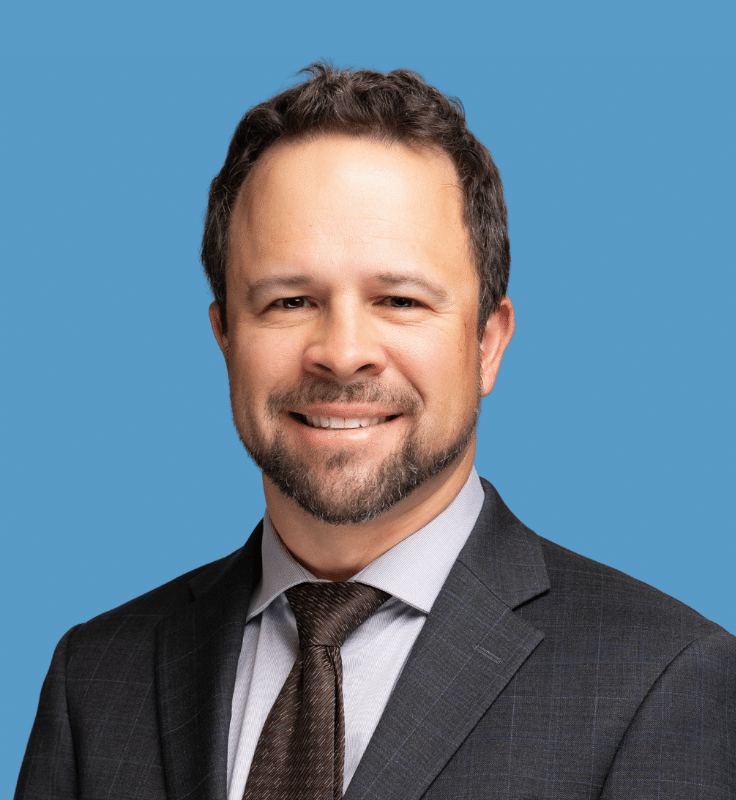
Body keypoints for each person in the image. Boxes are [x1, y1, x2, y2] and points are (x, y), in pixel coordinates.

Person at [16, 63, 735, 800]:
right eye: (291, 300)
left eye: (398, 299)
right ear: (225, 336)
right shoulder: (95, 679)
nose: (342, 351)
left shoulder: (662, 681)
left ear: (488, 341)